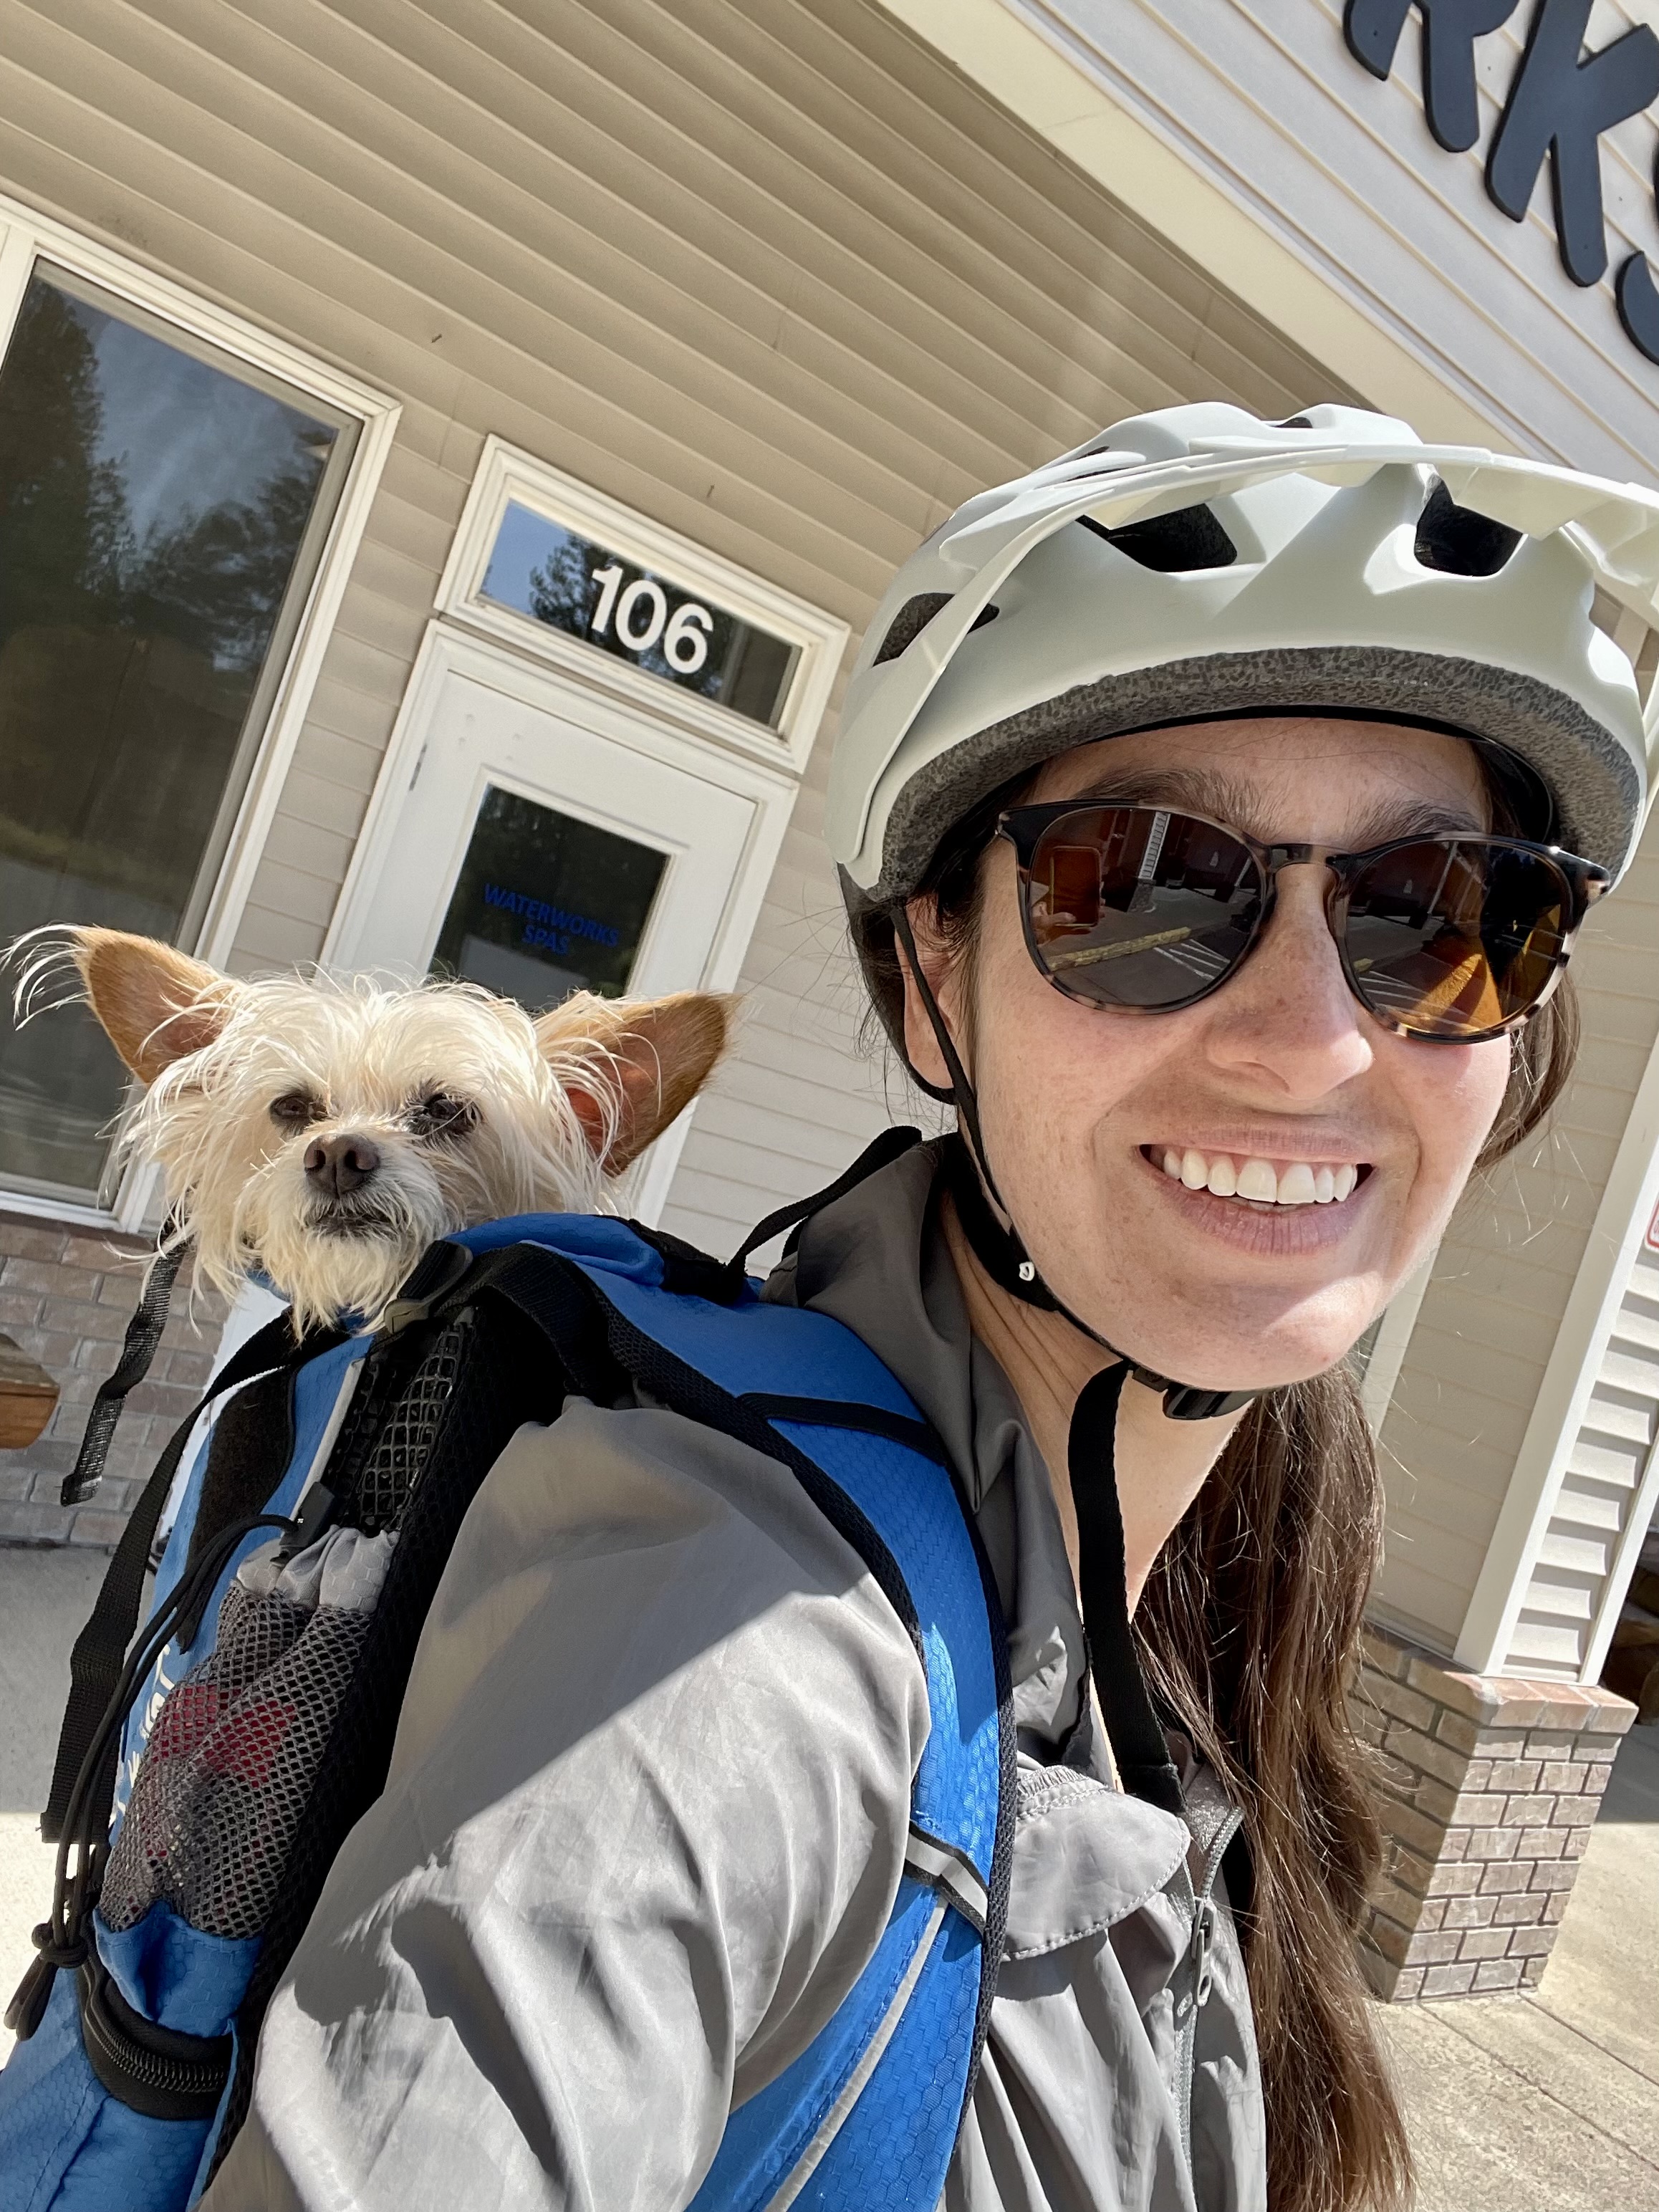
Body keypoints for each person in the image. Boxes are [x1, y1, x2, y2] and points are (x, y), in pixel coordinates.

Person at [204, 404, 1657, 2212]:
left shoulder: (1222, 1576)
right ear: (927, 971)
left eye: (1437, 908)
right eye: (1144, 884)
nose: (1316, 1039)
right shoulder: (716, 1639)